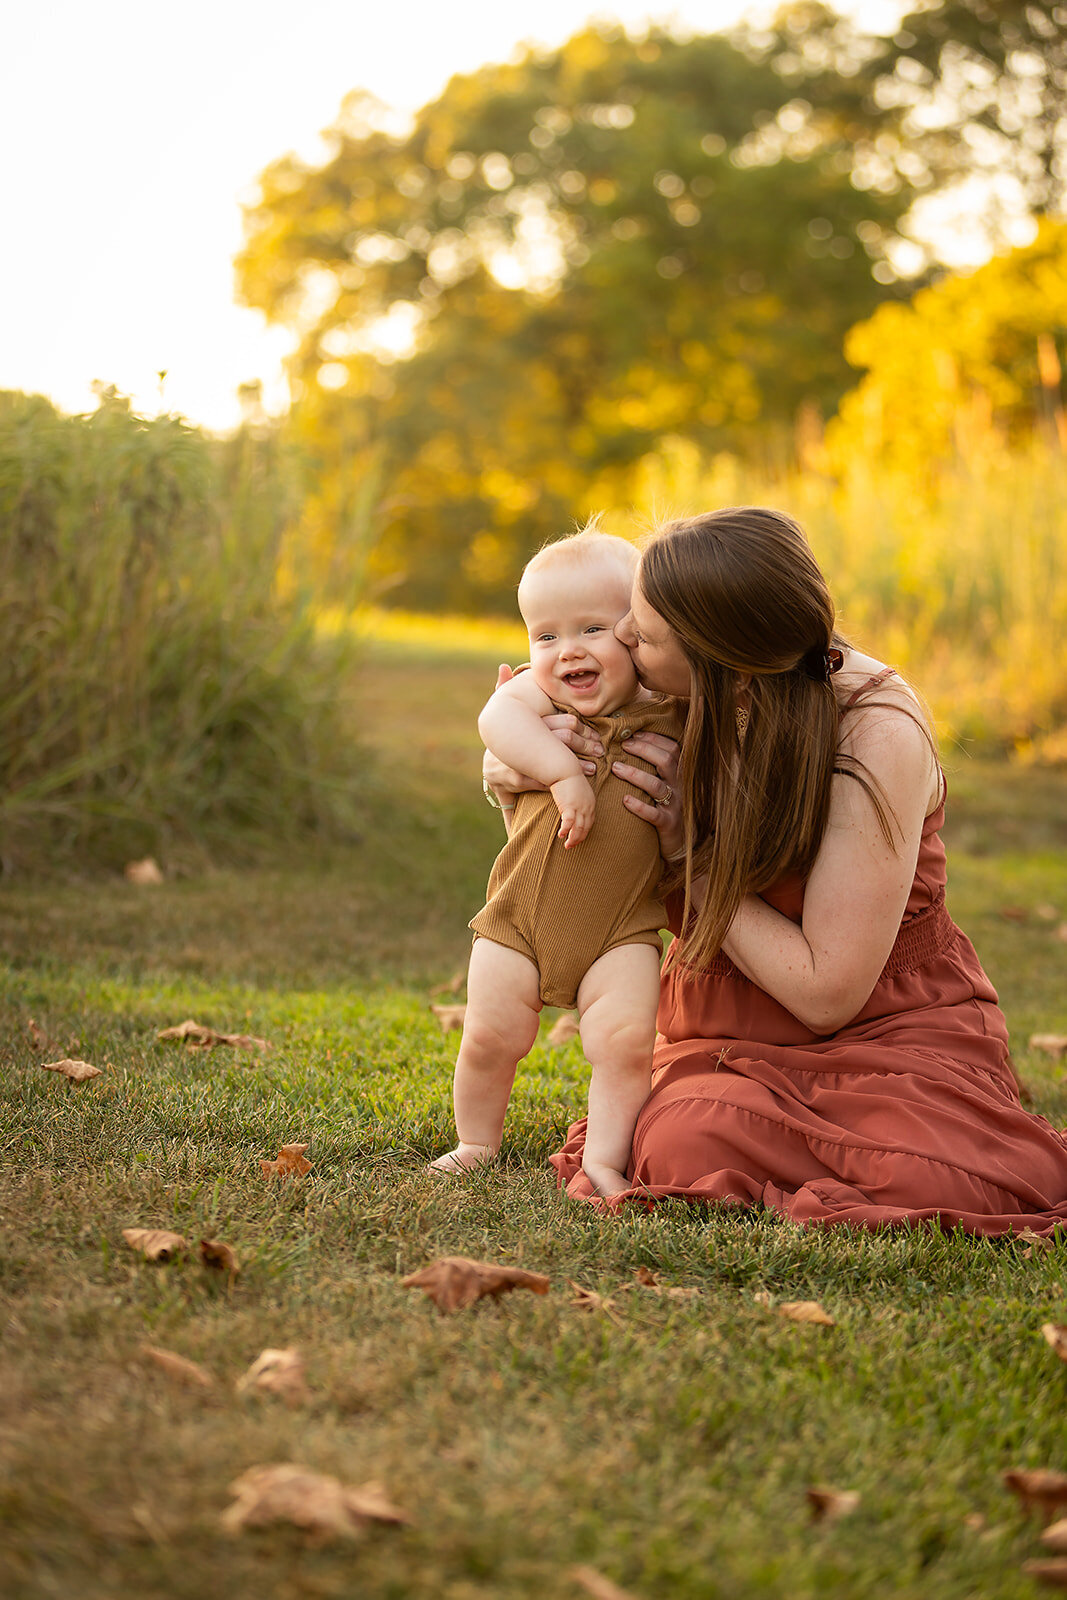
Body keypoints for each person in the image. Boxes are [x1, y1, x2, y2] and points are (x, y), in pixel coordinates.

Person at [489, 506, 1067, 1236]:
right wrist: (517, 774)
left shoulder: (874, 732)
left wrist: (683, 853)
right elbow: (568, 844)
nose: (623, 638)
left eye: (645, 632)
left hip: (886, 1018)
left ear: (719, 666)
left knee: (945, 1176)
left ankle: (921, 1125)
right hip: (727, 1021)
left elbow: (826, 993)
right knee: (679, 1145)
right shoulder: (654, 695)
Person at [431, 525, 684, 1197]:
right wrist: (559, 774)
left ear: (637, 635)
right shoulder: (538, 702)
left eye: (592, 629)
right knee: (489, 1036)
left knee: (625, 1044)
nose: (565, 650)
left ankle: (602, 1158)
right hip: (519, 917)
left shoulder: (667, 710)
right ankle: (475, 1141)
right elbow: (495, 721)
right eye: (544, 636)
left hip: (621, 928)